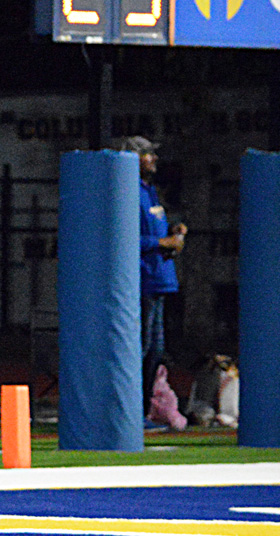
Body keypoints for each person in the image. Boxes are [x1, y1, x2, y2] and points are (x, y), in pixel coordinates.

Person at [118, 135, 187, 428]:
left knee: (155, 351)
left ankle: (144, 411)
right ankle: (132, 412)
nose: (154, 159)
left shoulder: (149, 191)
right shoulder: (128, 192)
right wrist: (162, 242)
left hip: (159, 279)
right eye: (147, 154)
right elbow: (125, 237)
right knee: (141, 348)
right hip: (143, 280)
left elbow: (153, 230)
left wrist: (173, 233)